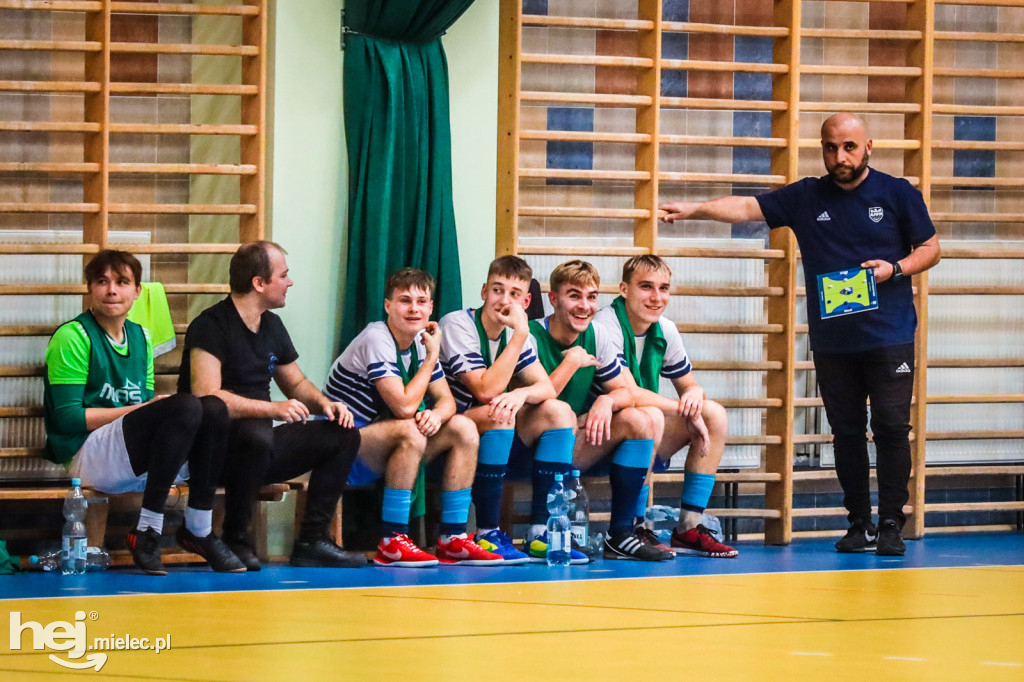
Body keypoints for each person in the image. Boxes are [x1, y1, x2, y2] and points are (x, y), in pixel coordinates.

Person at [659, 112, 941, 556]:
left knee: (890, 427)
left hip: (889, 336)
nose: (839, 156)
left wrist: (896, 269)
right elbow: (748, 207)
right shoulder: (808, 195)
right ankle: (858, 523)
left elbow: (931, 248)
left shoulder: (896, 193)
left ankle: (891, 523)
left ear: (868, 146)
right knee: (845, 432)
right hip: (833, 342)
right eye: (831, 147)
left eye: (849, 147)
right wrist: (695, 209)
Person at [43, 250, 244, 575]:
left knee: (214, 409)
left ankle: (200, 530)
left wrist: (147, 412)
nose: (112, 290)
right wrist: (141, 409)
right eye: (102, 282)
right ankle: (148, 530)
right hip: (87, 454)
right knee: (184, 404)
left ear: (138, 290)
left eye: (122, 282)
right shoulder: (73, 337)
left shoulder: (141, 336)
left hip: (130, 453)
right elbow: (67, 420)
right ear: (89, 288)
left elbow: (149, 418)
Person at [179, 241, 364, 570]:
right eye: (284, 275)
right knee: (255, 436)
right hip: (213, 455)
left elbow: (295, 383)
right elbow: (207, 396)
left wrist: (326, 403)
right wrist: (274, 410)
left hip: (258, 450)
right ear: (259, 283)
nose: (289, 282)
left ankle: (313, 539)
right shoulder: (210, 326)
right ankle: (237, 537)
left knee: (344, 434)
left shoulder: (272, 325)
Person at [323, 268, 501, 567]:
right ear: (388, 305)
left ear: (431, 308)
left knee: (463, 426)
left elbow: (447, 400)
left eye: (421, 301)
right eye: (405, 301)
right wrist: (432, 357)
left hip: (383, 442)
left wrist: (436, 415)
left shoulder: (420, 342)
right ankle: (392, 539)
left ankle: (453, 538)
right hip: (339, 446)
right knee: (410, 429)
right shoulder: (376, 337)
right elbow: (405, 408)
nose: (414, 309)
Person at [439, 255, 586, 564]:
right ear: (483, 292)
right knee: (499, 412)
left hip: (490, 431)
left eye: (514, 294)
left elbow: (545, 388)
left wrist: (520, 394)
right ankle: (487, 532)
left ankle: (540, 533)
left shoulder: (518, 334)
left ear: (526, 300)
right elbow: (485, 389)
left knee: (558, 411)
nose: (504, 300)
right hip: (445, 429)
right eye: (497, 290)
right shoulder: (458, 324)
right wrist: (519, 334)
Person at [593, 255, 738, 558]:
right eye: (646, 287)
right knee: (649, 416)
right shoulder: (605, 325)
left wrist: (695, 397)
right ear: (623, 289)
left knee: (712, 414)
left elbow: (689, 385)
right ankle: (632, 525)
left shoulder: (665, 329)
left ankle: (689, 527)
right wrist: (679, 406)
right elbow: (628, 393)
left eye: (663, 288)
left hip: (641, 427)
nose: (656, 297)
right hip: (598, 434)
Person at [530, 260, 673, 561]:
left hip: (569, 446)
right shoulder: (530, 336)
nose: (584, 306)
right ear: (553, 299)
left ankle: (621, 533)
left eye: (591, 296)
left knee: (638, 419)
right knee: (558, 412)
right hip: (524, 446)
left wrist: (606, 401)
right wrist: (571, 362)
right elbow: (540, 397)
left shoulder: (597, 335)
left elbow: (628, 392)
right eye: (574, 296)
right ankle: (541, 529)